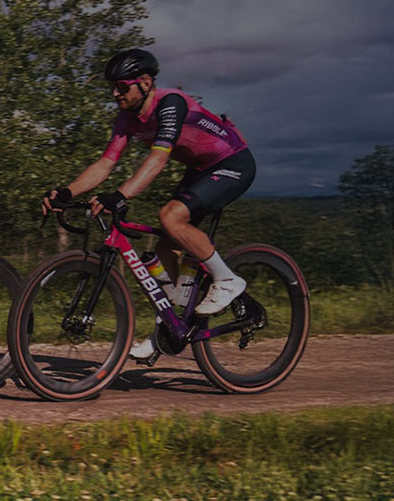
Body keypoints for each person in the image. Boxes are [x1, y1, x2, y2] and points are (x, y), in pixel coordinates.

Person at [41, 48, 258, 360]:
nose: (115, 93)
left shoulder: (170, 103)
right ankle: (167, 329)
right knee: (164, 250)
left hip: (233, 163)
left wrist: (120, 195)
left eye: (122, 86)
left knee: (170, 217)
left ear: (144, 82)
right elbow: (105, 164)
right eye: (112, 87)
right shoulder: (126, 119)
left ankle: (227, 279)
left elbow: (159, 156)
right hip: (199, 170)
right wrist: (66, 192)